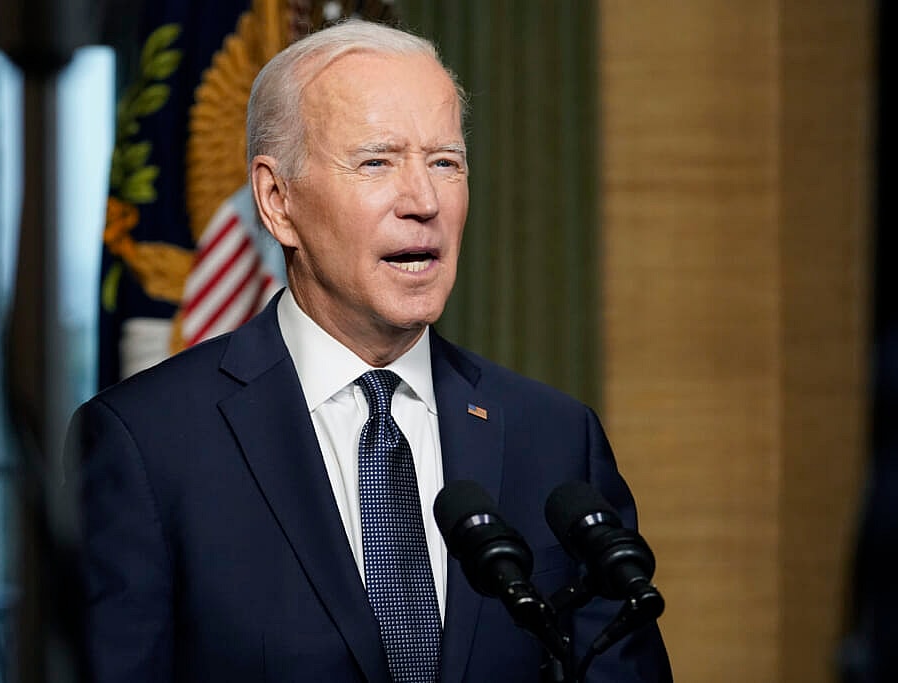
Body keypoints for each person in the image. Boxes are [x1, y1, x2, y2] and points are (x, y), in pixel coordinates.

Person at [69, 18, 671, 682]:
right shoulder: (148, 445)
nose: (423, 201)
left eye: (445, 161)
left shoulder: (555, 437)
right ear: (277, 199)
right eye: (377, 161)